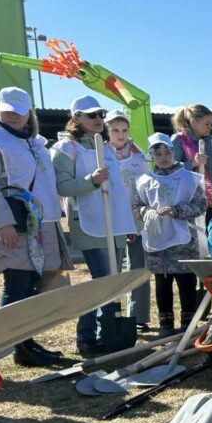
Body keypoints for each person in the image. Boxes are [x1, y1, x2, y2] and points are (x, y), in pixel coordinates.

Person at [0, 87, 72, 366]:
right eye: (7, 110)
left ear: (28, 113)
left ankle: (26, 343)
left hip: (40, 222)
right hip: (15, 223)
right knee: (17, 284)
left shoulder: (32, 141)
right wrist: (3, 224)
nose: (12, 116)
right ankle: (9, 349)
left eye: (18, 112)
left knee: (33, 285)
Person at [51, 96, 136, 356]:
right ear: (76, 118)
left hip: (114, 223)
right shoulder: (67, 147)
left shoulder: (107, 148)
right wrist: (91, 180)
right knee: (103, 281)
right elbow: (61, 186)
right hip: (89, 221)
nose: (98, 119)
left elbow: (118, 191)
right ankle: (87, 337)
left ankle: (104, 334)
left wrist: (127, 222)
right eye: (91, 115)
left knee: (112, 281)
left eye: (100, 114)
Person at [134, 133, 207, 334]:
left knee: (186, 280)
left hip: (183, 239)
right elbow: (137, 205)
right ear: (151, 156)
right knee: (162, 281)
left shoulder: (189, 178)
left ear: (174, 152)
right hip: (157, 238)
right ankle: (166, 323)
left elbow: (201, 205)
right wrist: (147, 213)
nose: (163, 157)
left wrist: (177, 211)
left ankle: (188, 323)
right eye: (158, 153)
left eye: (167, 152)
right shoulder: (144, 181)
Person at [105, 109, 151, 331]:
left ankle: (138, 316)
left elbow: (146, 185)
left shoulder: (139, 155)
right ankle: (111, 314)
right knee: (112, 270)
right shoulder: (100, 153)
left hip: (135, 220)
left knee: (138, 268)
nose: (120, 135)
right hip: (110, 218)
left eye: (124, 130)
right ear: (107, 130)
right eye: (115, 130)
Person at [170, 104, 212, 210]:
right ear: (193, 122)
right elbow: (170, 170)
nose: (210, 127)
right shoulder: (178, 140)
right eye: (207, 124)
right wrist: (192, 163)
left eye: (211, 124)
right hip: (190, 200)